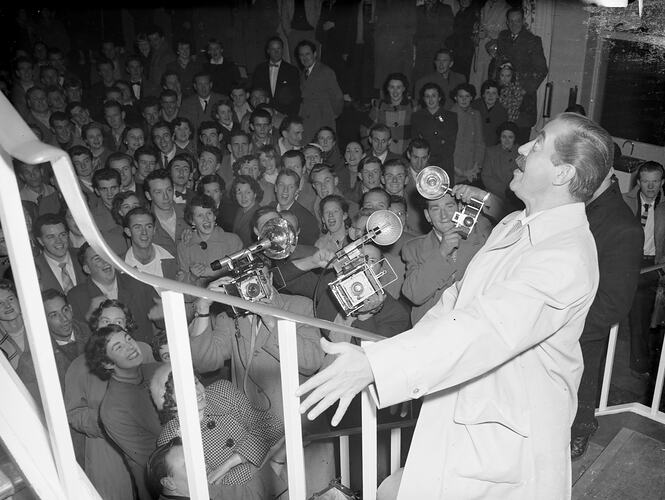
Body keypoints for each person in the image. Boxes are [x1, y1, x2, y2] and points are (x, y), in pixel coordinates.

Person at [298, 112, 613, 499]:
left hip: (505, 439)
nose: (525, 147)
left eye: (540, 142)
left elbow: (486, 326)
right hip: (469, 413)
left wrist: (376, 366)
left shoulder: (565, 254)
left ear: (562, 174)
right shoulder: (517, 223)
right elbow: (456, 301)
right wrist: (385, 355)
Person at [568, 162, 644, 460]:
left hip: (582, 329)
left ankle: (581, 429)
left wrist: (567, 325)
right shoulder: (581, 206)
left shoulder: (623, 226)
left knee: (580, 390)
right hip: (562, 321)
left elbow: (614, 303)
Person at [150, 363, 286, 499]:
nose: (198, 392)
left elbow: (273, 425)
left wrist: (229, 464)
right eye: (185, 391)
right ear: (169, 403)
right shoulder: (169, 439)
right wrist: (270, 454)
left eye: (196, 382)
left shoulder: (222, 391)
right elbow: (216, 486)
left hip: (283, 471)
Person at [86, 324, 161, 500]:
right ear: (107, 363)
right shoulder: (112, 410)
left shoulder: (159, 370)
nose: (130, 346)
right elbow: (157, 459)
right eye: (118, 347)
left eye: (128, 338)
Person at [402, 192, 490, 325]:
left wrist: (480, 195)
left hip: (475, 324)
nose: (444, 215)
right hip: (433, 329)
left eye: (449, 206)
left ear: (460, 208)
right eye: (435, 209)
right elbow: (414, 294)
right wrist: (441, 252)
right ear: (427, 216)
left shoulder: (481, 237)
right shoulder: (414, 248)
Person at [623, 161, 665, 381]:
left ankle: (638, 364)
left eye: (655, 182)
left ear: (662, 182)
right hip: (625, 261)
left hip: (651, 264)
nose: (651, 187)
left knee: (640, 309)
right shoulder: (624, 201)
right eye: (646, 182)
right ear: (638, 182)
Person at [496, 7, 548, 144]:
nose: (514, 25)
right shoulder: (503, 37)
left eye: (518, 21)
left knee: (520, 142)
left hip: (524, 100)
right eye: (511, 21)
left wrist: (525, 89)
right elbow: (498, 64)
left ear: (523, 21)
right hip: (504, 97)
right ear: (507, 22)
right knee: (501, 139)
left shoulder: (533, 40)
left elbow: (542, 69)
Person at [177, 194, 243, 288]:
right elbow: (183, 293)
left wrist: (215, 273)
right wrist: (192, 277)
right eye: (200, 215)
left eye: (209, 213)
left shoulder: (233, 241)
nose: (206, 219)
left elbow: (243, 278)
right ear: (192, 221)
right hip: (199, 300)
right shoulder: (184, 246)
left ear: (214, 216)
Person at [297, 39, 344, 142]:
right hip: (306, 122)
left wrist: (332, 114)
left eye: (307, 54)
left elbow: (338, 97)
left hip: (322, 121)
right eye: (301, 55)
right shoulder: (302, 73)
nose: (304, 58)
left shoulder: (325, 71)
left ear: (315, 54)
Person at [411, 82, 458, 181]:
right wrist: (425, 160)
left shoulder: (451, 117)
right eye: (427, 96)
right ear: (423, 99)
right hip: (423, 162)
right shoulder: (417, 116)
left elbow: (450, 144)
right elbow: (415, 142)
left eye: (433, 96)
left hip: (444, 162)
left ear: (439, 97)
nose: (430, 99)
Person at [33, 213, 86, 294]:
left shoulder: (84, 255)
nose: (59, 241)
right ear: (40, 241)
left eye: (62, 235)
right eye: (51, 237)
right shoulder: (34, 268)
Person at [251, 36, 301, 117]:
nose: (276, 52)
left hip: (284, 114)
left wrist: (291, 115)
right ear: (268, 51)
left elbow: (296, 96)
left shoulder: (292, 70)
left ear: (282, 50)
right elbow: (255, 92)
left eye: (279, 48)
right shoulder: (259, 69)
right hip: (264, 113)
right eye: (273, 49)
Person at [123, 207, 179, 280]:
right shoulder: (120, 265)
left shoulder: (171, 255)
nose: (144, 232)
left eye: (149, 227)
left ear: (154, 230)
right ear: (128, 232)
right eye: (137, 227)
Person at [481, 120, 522, 217]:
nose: (507, 140)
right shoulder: (491, 152)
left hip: (516, 199)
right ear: (500, 138)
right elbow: (486, 177)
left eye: (510, 137)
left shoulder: (522, 153)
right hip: (495, 197)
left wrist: (513, 192)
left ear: (515, 138)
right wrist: (505, 191)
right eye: (504, 137)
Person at [369, 73, 413, 156]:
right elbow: (366, 129)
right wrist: (370, 150)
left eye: (398, 87)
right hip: (382, 154)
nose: (395, 91)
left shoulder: (413, 106)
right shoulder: (379, 105)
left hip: (406, 154)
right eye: (392, 87)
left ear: (404, 88)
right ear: (387, 88)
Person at [450, 83, 485, 184]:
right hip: (454, 166)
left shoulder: (476, 114)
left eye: (467, 96)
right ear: (455, 97)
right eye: (461, 96)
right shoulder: (450, 115)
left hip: (471, 167)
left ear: (472, 98)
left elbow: (480, 142)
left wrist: (477, 166)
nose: (464, 100)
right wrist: (458, 171)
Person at [0, 279, 28, 370]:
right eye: (0, 303)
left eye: (10, 299)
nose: (7, 305)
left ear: (19, 299)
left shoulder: (37, 323)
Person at [473, 79, 509, 147]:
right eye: (488, 92)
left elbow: (501, 134)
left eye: (494, 93)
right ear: (483, 94)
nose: (490, 96)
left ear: (498, 96)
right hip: (473, 145)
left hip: (491, 147)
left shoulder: (502, 112)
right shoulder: (474, 106)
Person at [231, 175, 264, 247]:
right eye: (239, 193)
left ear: (255, 194)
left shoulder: (259, 215)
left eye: (248, 192)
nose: (243, 197)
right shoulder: (239, 210)